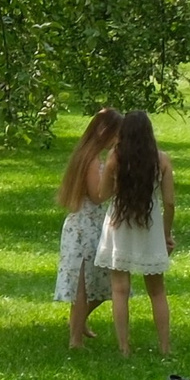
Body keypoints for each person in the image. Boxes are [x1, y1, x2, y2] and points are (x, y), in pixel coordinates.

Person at [94, 109, 174, 357]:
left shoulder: (115, 158)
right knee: (157, 291)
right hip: (150, 227)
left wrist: (117, 182)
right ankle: (165, 347)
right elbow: (170, 202)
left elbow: (102, 195)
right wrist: (166, 234)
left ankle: (124, 347)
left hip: (120, 224)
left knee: (120, 289)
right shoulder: (162, 160)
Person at [55, 109, 120, 347]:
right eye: (116, 134)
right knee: (82, 285)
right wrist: (117, 183)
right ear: (104, 131)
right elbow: (97, 195)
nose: (118, 141)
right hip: (85, 227)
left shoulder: (89, 156)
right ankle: (75, 339)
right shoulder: (92, 160)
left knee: (99, 281)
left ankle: (78, 322)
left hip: (91, 224)